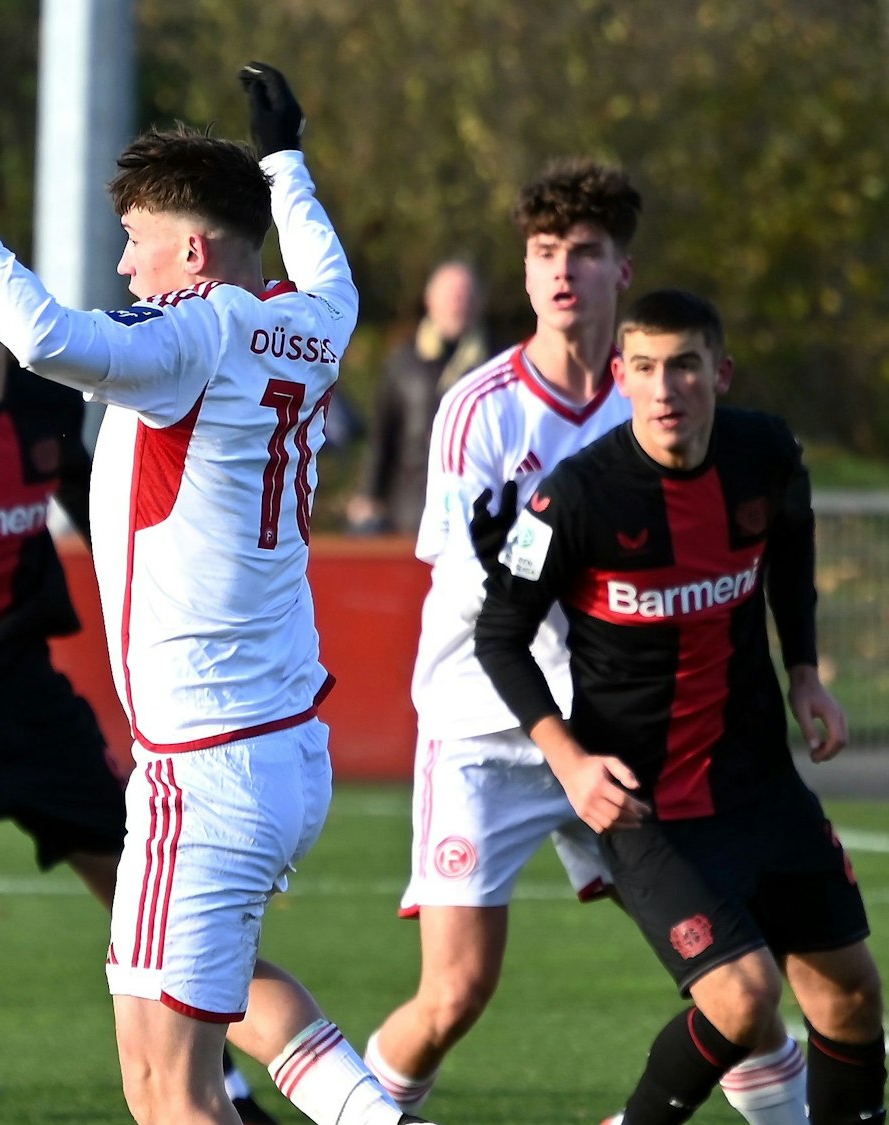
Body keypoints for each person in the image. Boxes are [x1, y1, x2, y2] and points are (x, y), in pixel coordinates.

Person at [0, 62, 433, 1125]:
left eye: (137, 240)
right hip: (283, 750)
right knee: (234, 1012)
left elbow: (46, 337)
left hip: (200, 771)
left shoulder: (192, 334)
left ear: (192, 253)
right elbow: (329, 268)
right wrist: (284, 161)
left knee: (164, 1090)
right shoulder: (315, 320)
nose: (121, 263)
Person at [473, 288, 885, 1125]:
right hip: (646, 805)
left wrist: (804, 670)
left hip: (761, 786)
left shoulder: (764, 453)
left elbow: (792, 546)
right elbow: (499, 634)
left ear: (719, 374)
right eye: (649, 368)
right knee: (743, 996)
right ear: (621, 377)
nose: (667, 389)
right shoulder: (576, 496)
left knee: (848, 995)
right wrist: (569, 758)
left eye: (687, 366)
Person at [360, 160, 639, 1115]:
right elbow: (477, 585)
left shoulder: (653, 402)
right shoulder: (480, 407)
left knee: (729, 967)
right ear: (524, 274)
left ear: (622, 272)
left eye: (587, 253)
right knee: (453, 994)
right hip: (487, 731)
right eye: (545, 252)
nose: (564, 271)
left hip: (614, 731)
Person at [346, 260, 489, 534]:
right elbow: (382, 435)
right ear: (430, 300)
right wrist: (369, 494)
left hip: (477, 508)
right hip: (412, 507)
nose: (459, 304)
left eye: (466, 296)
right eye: (452, 296)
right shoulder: (402, 362)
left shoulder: (496, 359)